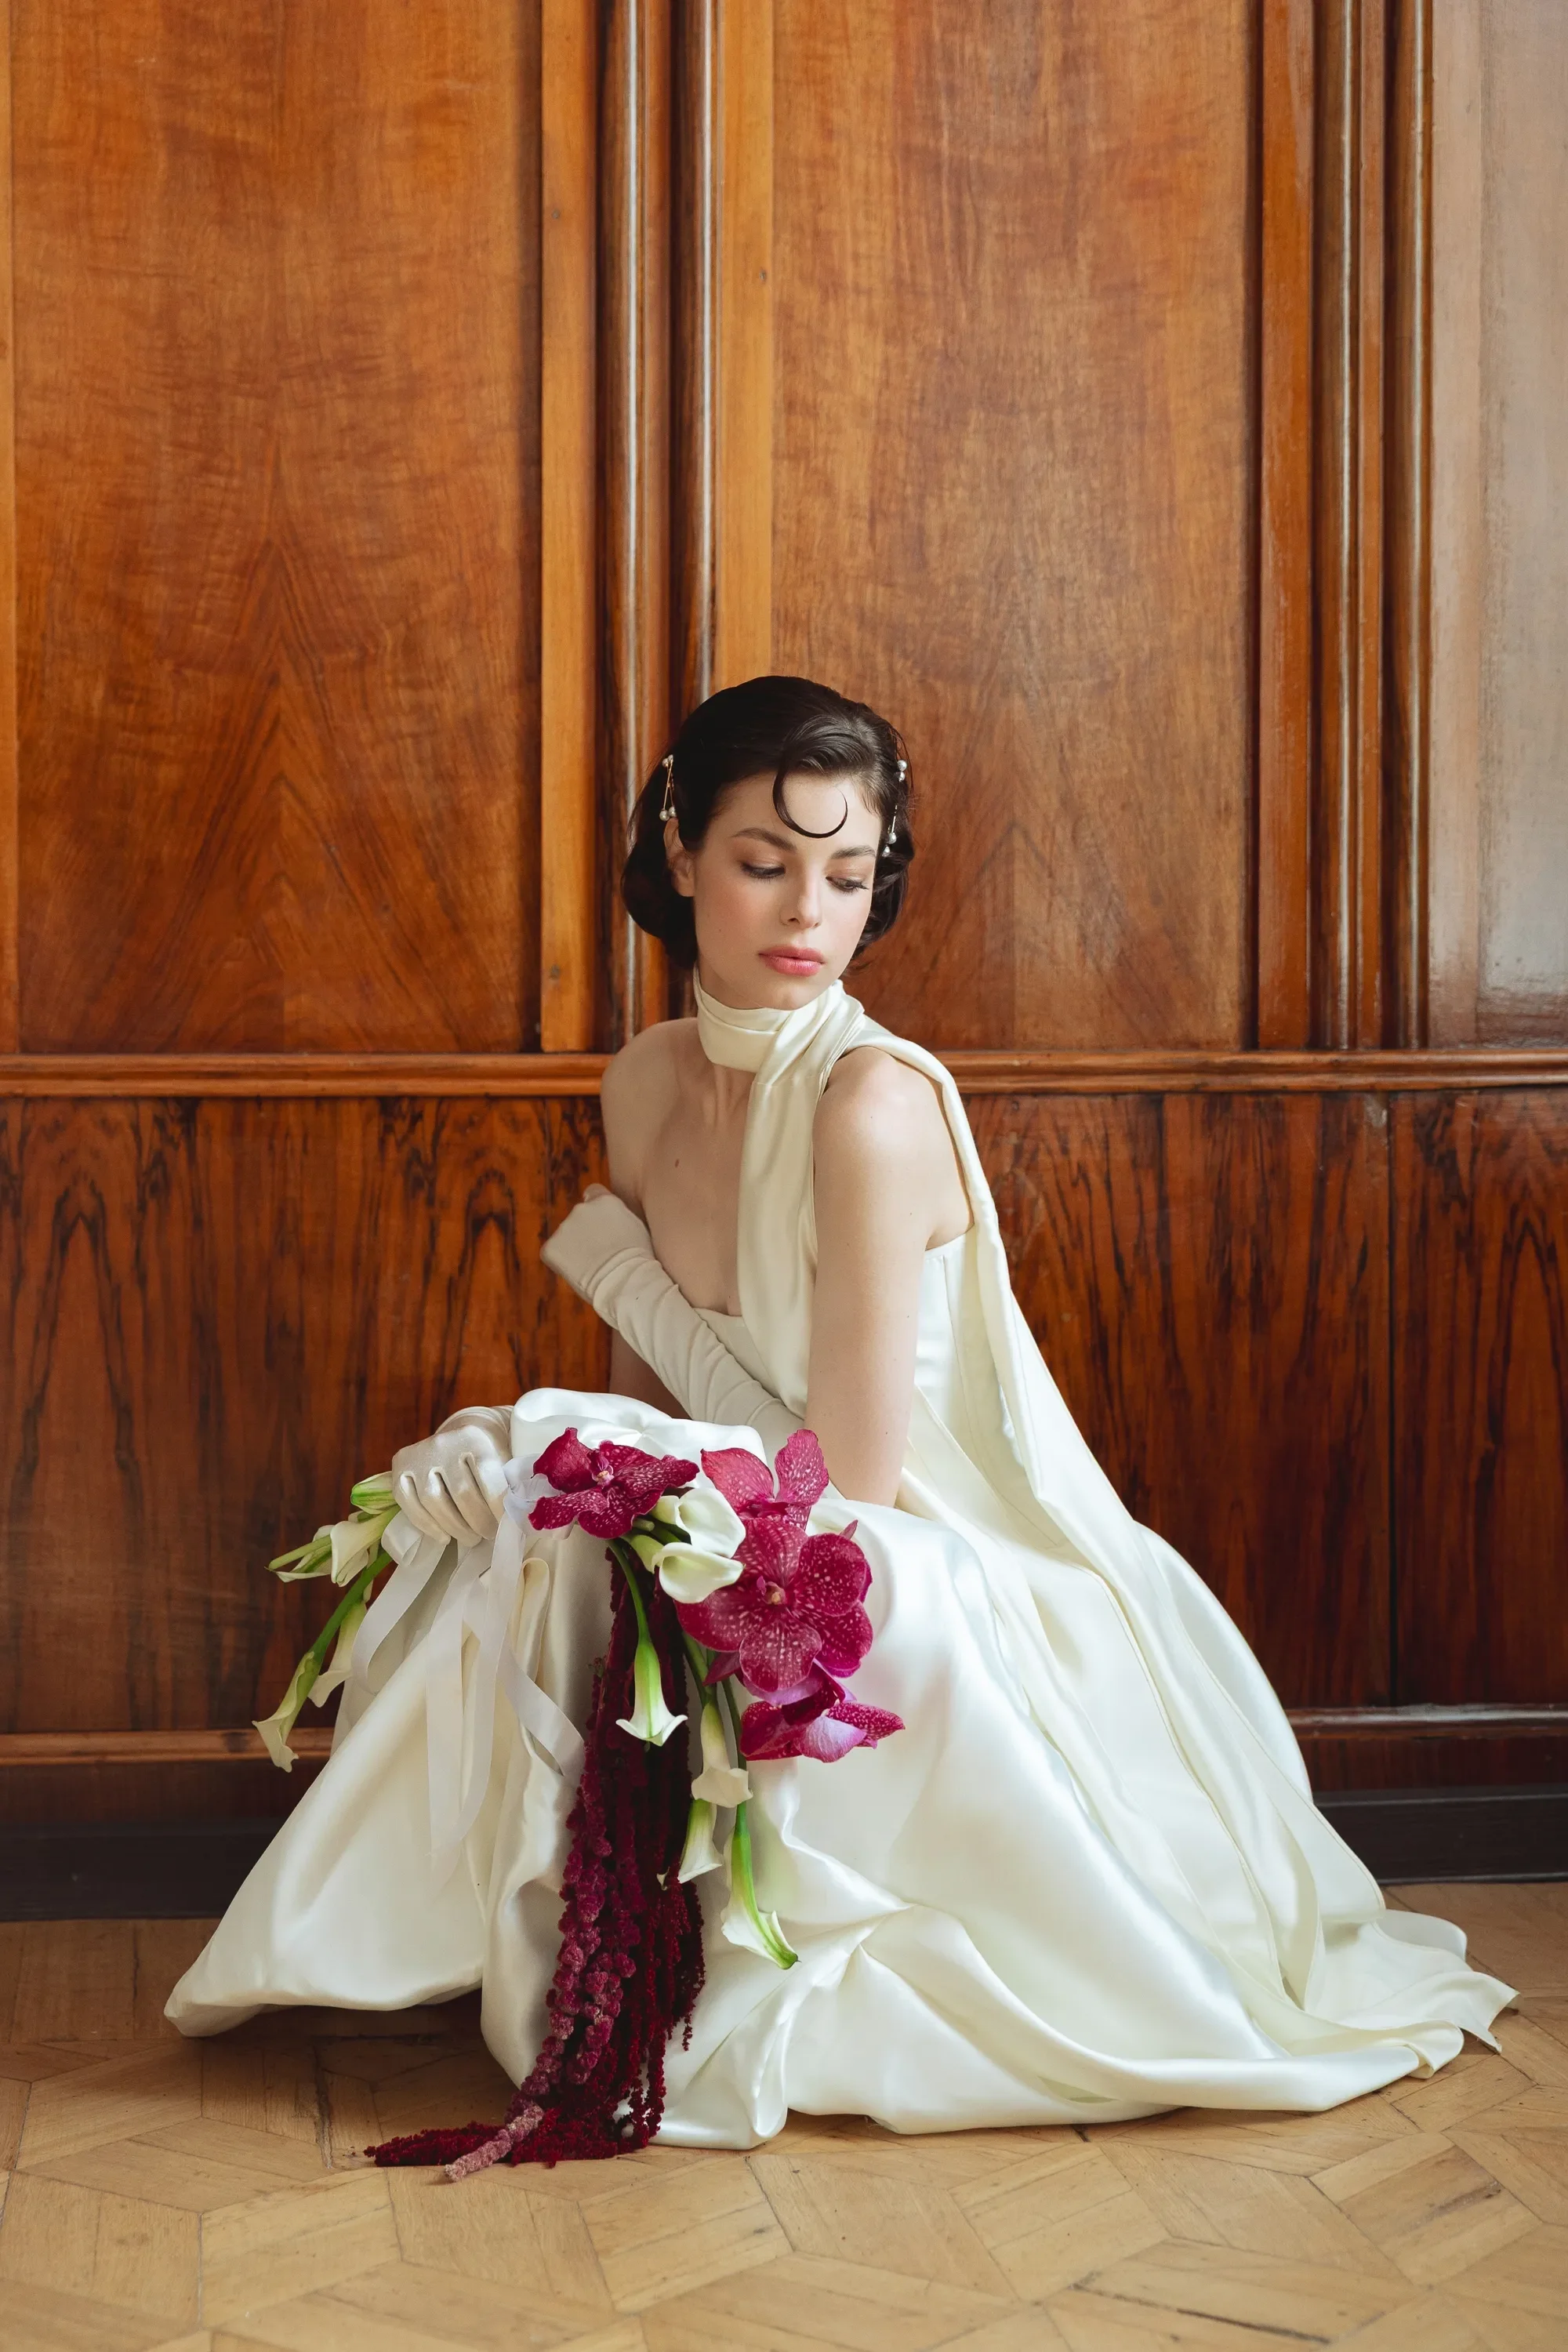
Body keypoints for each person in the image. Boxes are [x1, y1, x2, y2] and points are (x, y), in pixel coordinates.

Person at [167, 674, 1511, 2140]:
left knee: (691, 1554)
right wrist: (552, 1466)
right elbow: (654, 1406)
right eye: (764, 861)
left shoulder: (873, 1108)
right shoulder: (643, 1081)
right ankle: (484, 1942)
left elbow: (850, 1487)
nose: (809, 912)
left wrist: (559, 1437)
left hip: (917, 1551)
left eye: (849, 874)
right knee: (521, 1547)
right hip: (744, 1513)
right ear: (682, 855)